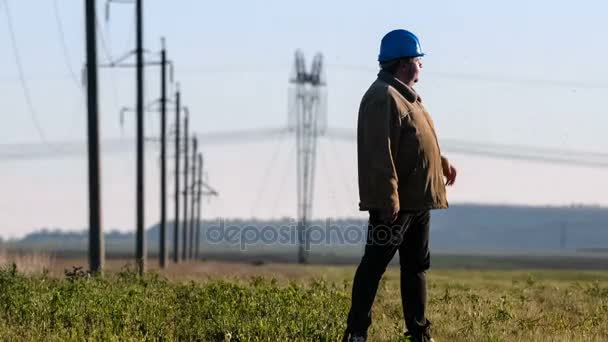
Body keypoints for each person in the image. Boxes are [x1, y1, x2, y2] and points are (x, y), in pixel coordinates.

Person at [343, 29, 457, 342]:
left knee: (416, 267)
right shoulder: (383, 96)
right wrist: (387, 198)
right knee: (374, 265)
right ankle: (356, 333)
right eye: (419, 61)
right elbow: (379, 151)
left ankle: (419, 333)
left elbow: (413, 140)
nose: (421, 68)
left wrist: (440, 161)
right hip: (397, 203)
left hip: (417, 201)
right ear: (406, 63)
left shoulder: (406, 96)